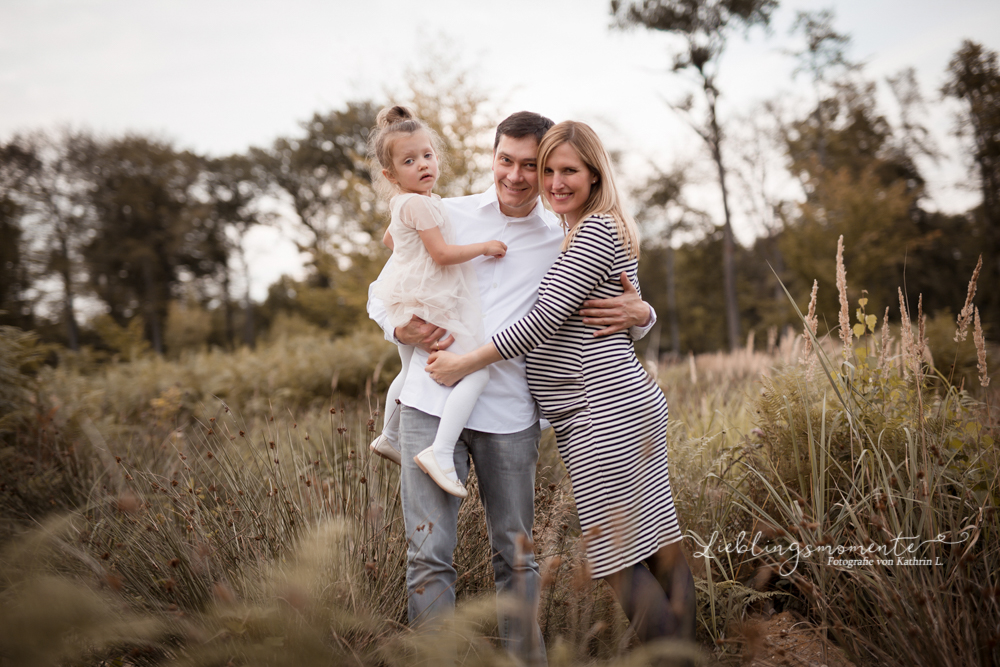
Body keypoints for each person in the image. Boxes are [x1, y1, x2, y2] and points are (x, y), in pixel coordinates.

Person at [367, 111, 657, 664]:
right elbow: (381, 291)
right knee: (428, 555)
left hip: (511, 414)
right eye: (507, 161)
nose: (518, 176)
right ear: (491, 157)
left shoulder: (565, 235)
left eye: (532, 165)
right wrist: (397, 327)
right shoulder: (444, 214)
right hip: (430, 402)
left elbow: (625, 291)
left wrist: (643, 312)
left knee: (517, 559)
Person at [425, 120, 697, 646]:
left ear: (595, 174)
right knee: (657, 541)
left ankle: (671, 660)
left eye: (567, 170)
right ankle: (691, 655)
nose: (554, 182)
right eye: (547, 170)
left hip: (602, 413)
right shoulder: (594, 229)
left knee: (618, 557)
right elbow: (629, 303)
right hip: (621, 404)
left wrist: (466, 363)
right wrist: (643, 312)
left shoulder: (592, 231)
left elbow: (544, 319)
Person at [366, 105, 507, 499]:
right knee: (477, 371)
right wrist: (484, 247)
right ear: (390, 175)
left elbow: (390, 241)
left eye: (427, 155)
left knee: (410, 370)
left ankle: (388, 435)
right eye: (409, 161)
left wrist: (411, 256)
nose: (423, 165)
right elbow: (443, 255)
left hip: (405, 296)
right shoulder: (423, 204)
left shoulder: (405, 203)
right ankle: (439, 451)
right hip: (427, 300)